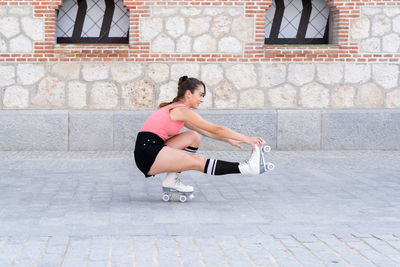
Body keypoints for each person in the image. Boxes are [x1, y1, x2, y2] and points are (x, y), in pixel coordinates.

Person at [134, 76, 266, 195]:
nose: (202, 100)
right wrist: (247, 139)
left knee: (194, 136)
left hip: (151, 147)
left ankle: (171, 180)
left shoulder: (178, 110)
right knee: (198, 161)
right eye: (201, 95)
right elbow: (216, 128)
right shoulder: (181, 110)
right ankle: (246, 168)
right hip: (147, 152)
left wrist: (229, 139)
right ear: (188, 94)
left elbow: (207, 132)